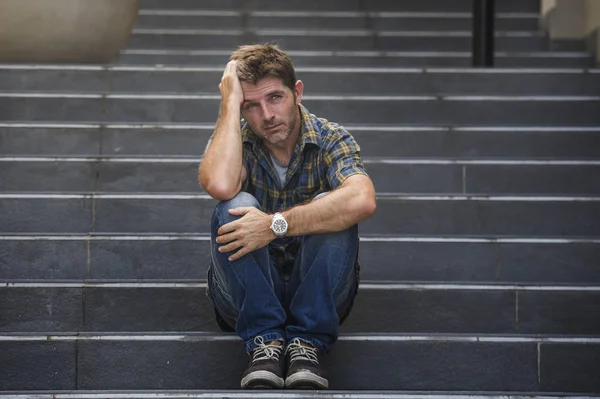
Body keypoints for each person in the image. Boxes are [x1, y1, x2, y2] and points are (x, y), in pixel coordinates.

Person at [198, 44, 377, 390]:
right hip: (243, 296)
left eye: (275, 98)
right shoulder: (237, 140)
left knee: (333, 203)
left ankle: (306, 342)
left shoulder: (330, 139)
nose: (266, 115)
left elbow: (362, 199)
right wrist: (228, 105)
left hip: (321, 293)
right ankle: (264, 341)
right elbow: (219, 184)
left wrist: (273, 225)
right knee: (233, 205)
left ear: (297, 92)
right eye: (250, 105)